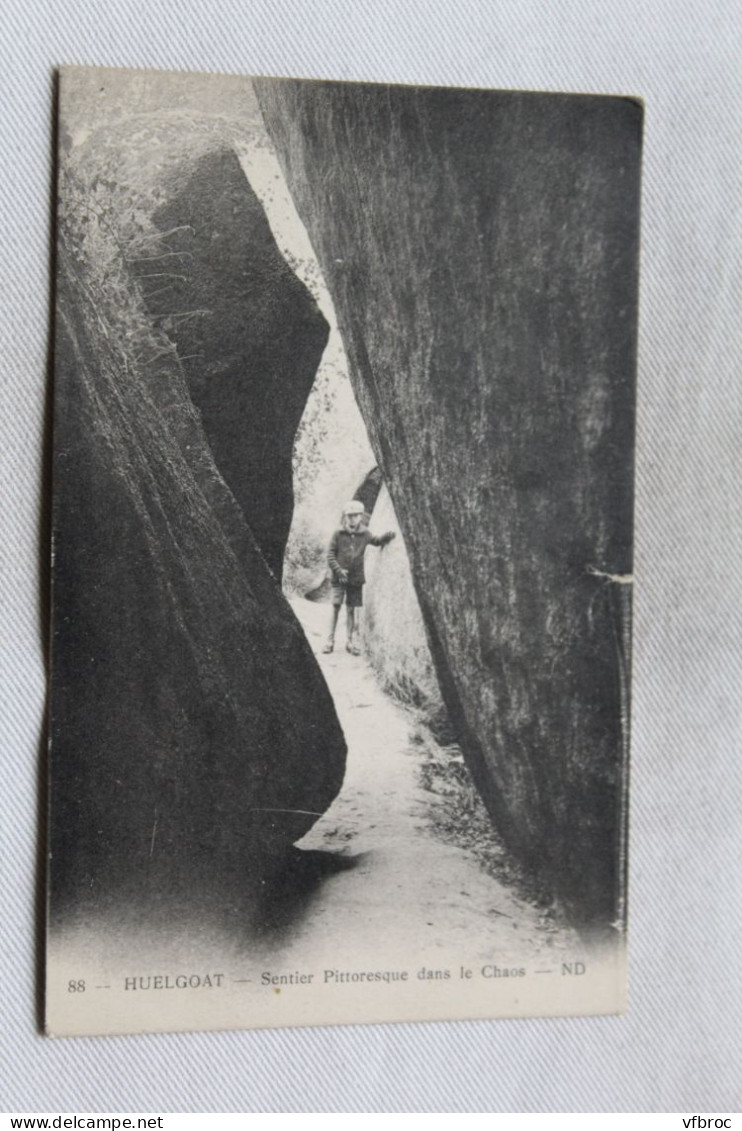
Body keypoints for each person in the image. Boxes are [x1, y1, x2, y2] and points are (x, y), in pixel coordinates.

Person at [323, 500, 396, 655]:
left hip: (355, 578)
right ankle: (330, 640)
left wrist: (387, 536)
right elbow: (330, 555)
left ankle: (349, 642)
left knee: (351, 609)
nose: (352, 519)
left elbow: (376, 541)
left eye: (355, 516)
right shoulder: (338, 533)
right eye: (349, 516)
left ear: (361, 517)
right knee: (335, 606)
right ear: (345, 517)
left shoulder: (365, 533)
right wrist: (339, 570)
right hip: (338, 578)